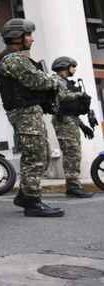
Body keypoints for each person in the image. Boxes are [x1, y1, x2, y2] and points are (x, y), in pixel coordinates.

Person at [0, 19, 64, 217]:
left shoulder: (16, 58)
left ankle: (25, 194)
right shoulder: (14, 59)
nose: (32, 39)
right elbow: (38, 81)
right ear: (17, 37)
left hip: (29, 112)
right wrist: (56, 80)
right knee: (35, 156)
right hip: (24, 113)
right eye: (28, 35)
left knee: (43, 154)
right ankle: (32, 202)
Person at [50, 56, 95, 199]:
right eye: (73, 66)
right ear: (65, 66)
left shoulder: (66, 82)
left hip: (70, 121)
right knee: (71, 154)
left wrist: (83, 126)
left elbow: (71, 111)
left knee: (74, 153)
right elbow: (61, 96)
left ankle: (73, 186)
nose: (74, 69)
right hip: (63, 121)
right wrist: (80, 94)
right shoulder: (56, 80)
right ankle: (73, 187)